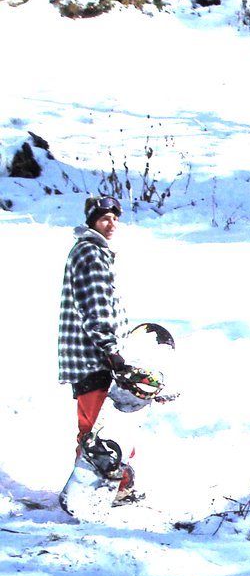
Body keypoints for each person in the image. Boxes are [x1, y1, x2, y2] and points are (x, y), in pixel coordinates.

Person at [58, 193, 137, 503]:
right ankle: (101, 491)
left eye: (115, 218)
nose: (112, 223)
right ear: (92, 221)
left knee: (99, 427)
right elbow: (96, 309)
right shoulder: (91, 254)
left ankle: (114, 487)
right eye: (105, 218)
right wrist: (110, 349)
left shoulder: (91, 251)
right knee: (99, 431)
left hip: (90, 356)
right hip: (93, 357)